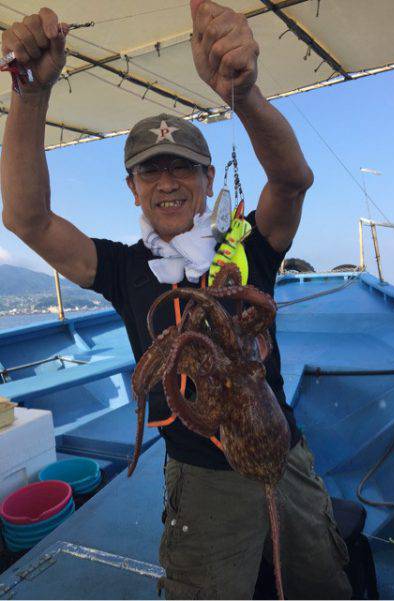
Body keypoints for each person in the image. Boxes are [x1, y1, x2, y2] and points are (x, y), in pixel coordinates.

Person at [1, 1, 352, 598]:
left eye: (184, 167)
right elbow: (28, 219)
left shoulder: (249, 247)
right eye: (150, 170)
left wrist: (247, 93)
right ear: (132, 188)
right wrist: (30, 95)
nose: (168, 181)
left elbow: (292, 180)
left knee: (324, 585)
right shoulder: (119, 267)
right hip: (201, 480)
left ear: (210, 179)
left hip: (282, 452)